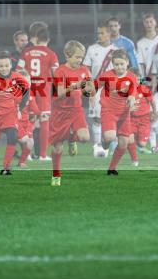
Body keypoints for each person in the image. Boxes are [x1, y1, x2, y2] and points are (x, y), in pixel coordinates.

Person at [49, 41, 95, 185]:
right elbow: (60, 92)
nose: (79, 60)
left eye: (81, 57)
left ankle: (72, 138)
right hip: (59, 112)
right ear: (67, 56)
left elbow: (90, 88)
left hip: (76, 110)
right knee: (57, 148)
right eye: (77, 57)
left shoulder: (84, 70)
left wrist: (89, 91)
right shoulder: (60, 71)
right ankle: (56, 175)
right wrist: (74, 86)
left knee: (85, 137)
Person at [18, 26, 60, 160]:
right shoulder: (51, 54)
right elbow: (56, 74)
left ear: (36, 38)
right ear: (48, 39)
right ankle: (42, 155)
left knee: (30, 118)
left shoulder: (26, 52)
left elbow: (18, 70)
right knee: (44, 119)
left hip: (29, 88)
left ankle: (27, 154)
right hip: (43, 88)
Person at [98, 49, 139, 175]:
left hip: (124, 114)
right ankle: (104, 140)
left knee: (123, 144)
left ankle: (111, 169)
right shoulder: (106, 76)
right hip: (109, 111)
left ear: (127, 63)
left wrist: (131, 102)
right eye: (116, 64)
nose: (119, 67)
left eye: (122, 64)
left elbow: (133, 94)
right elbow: (94, 86)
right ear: (112, 64)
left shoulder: (132, 77)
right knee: (110, 137)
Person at [83, 22, 119, 157]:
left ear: (110, 34)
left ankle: (111, 144)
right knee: (97, 118)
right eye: (98, 33)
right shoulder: (92, 49)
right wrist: (89, 88)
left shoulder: (116, 50)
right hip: (96, 88)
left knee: (112, 118)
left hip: (112, 89)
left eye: (103, 33)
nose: (100, 35)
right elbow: (86, 69)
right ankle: (97, 146)